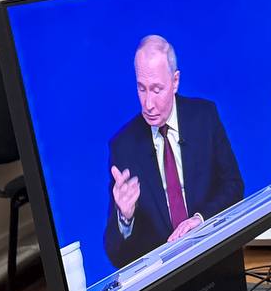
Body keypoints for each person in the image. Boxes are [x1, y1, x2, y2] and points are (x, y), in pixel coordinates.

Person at [103, 35, 244, 268]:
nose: (148, 104)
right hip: (166, 278)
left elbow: (234, 186)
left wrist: (201, 219)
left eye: (157, 89)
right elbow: (115, 254)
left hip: (216, 258)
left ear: (175, 81)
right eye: (141, 89)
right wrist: (124, 218)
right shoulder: (123, 147)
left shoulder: (205, 117)